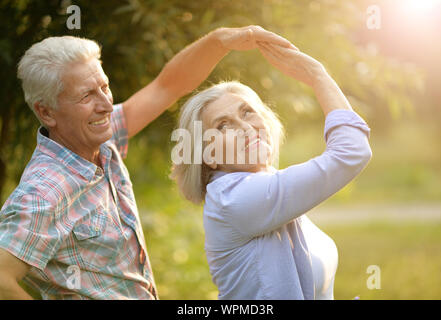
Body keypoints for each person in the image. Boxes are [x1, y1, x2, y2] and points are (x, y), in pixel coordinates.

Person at [0, 26, 293, 299]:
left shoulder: (98, 135)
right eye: (87, 95)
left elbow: (167, 87)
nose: (104, 104)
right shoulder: (43, 191)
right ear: (47, 113)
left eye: (104, 87)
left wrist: (219, 40)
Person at [170, 39, 372, 299]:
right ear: (208, 157)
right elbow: (351, 152)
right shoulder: (233, 199)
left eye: (247, 112)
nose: (245, 127)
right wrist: (317, 75)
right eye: (223, 125)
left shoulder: (268, 183)